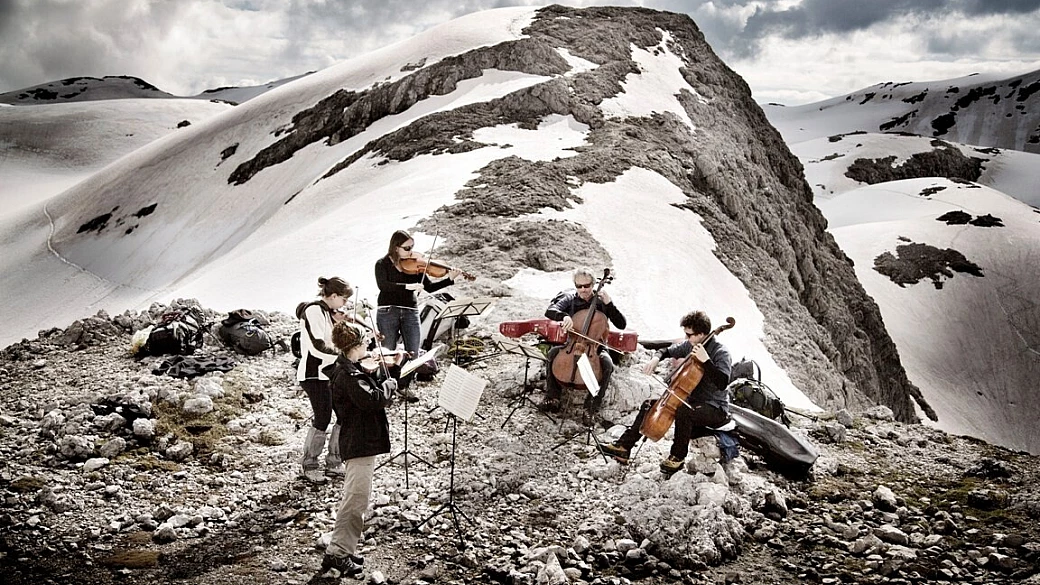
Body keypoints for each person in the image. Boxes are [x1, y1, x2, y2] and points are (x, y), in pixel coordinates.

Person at [599, 310, 733, 475]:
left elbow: (723, 383)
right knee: (649, 405)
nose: (686, 338)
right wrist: (656, 359)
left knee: (684, 412)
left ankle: (677, 457)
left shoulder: (721, 353)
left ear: (701, 334)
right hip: (690, 400)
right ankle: (624, 447)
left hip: (715, 407)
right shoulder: (691, 345)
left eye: (689, 335)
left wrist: (706, 361)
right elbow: (667, 350)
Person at [320, 321, 398, 577]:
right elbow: (372, 400)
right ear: (355, 346)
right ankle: (338, 554)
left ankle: (343, 547)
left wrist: (384, 372)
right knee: (355, 500)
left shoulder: (348, 368)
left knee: (356, 499)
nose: (369, 345)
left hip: (359, 440)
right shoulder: (348, 376)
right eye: (366, 341)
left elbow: (365, 391)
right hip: (359, 443)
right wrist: (390, 383)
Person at [374, 230, 460, 398]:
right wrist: (408, 287)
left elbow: (429, 287)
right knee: (388, 352)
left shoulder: (416, 265)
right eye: (407, 248)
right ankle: (385, 388)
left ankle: (403, 385)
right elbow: (383, 286)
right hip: (388, 310)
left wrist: (449, 279)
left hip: (410, 311)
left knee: (412, 351)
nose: (411, 251)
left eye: (412, 247)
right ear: (396, 247)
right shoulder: (381, 264)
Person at [542, 269, 627, 420]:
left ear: (593, 284)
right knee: (552, 353)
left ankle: (591, 407)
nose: (583, 289)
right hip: (572, 344)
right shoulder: (570, 299)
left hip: (595, 347)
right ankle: (552, 397)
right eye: (579, 286)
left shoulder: (602, 302)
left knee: (607, 364)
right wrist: (564, 316)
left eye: (586, 286)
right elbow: (550, 311)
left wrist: (609, 304)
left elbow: (621, 324)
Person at [295, 276, 353, 484]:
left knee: (343, 413)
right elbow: (317, 346)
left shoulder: (327, 312)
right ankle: (309, 465)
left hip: (329, 372)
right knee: (323, 417)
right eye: (344, 299)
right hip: (314, 373)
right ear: (334, 295)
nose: (344, 304)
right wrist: (343, 356)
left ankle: (334, 461)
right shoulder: (314, 310)